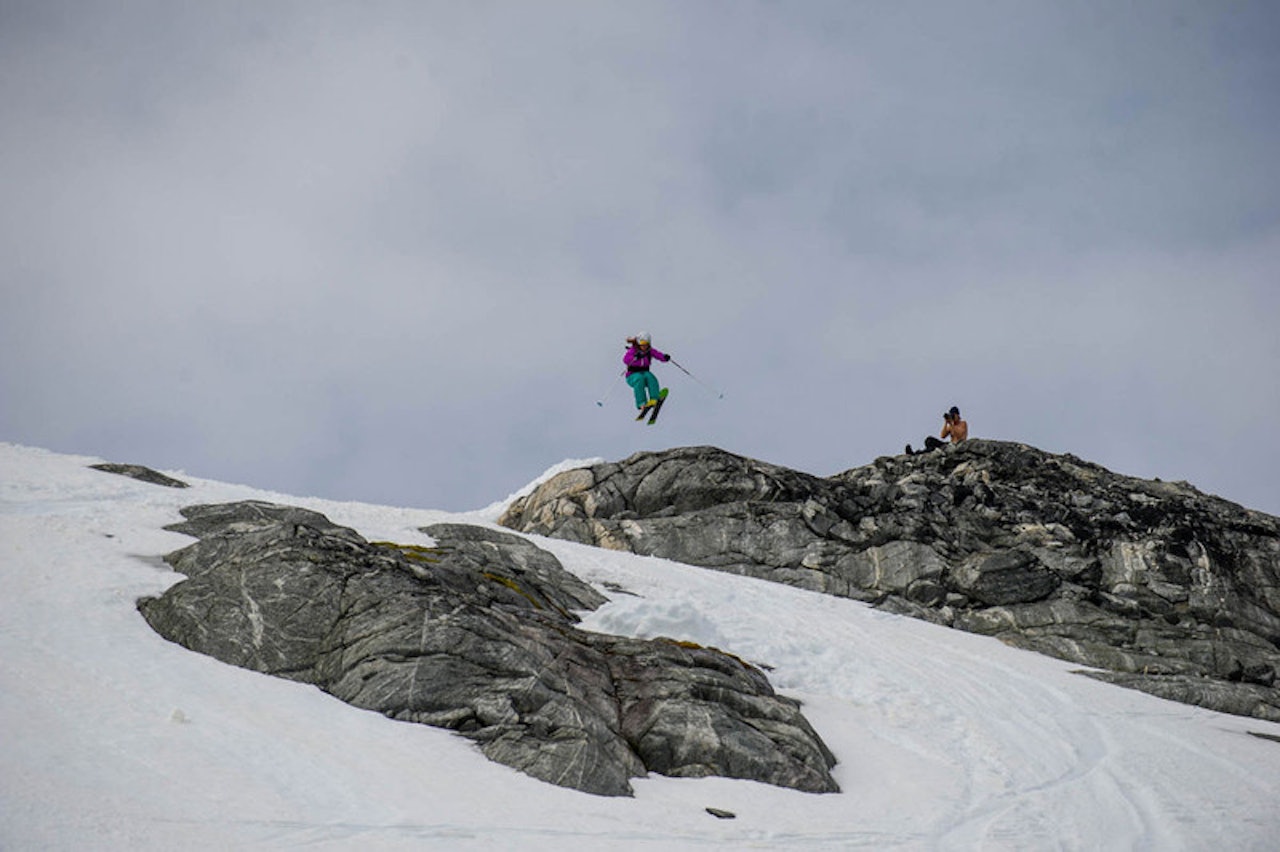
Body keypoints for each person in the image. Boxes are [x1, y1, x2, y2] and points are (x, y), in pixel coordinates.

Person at [623, 332, 670, 413]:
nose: (644, 347)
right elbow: (625, 359)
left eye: (646, 344)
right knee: (639, 379)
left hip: (645, 373)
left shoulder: (649, 351)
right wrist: (635, 357)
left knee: (651, 378)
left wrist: (664, 357)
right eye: (642, 344)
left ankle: (654, 399)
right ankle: (642, 403)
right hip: (632, 376)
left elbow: (658, 354)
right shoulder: (633, 350)